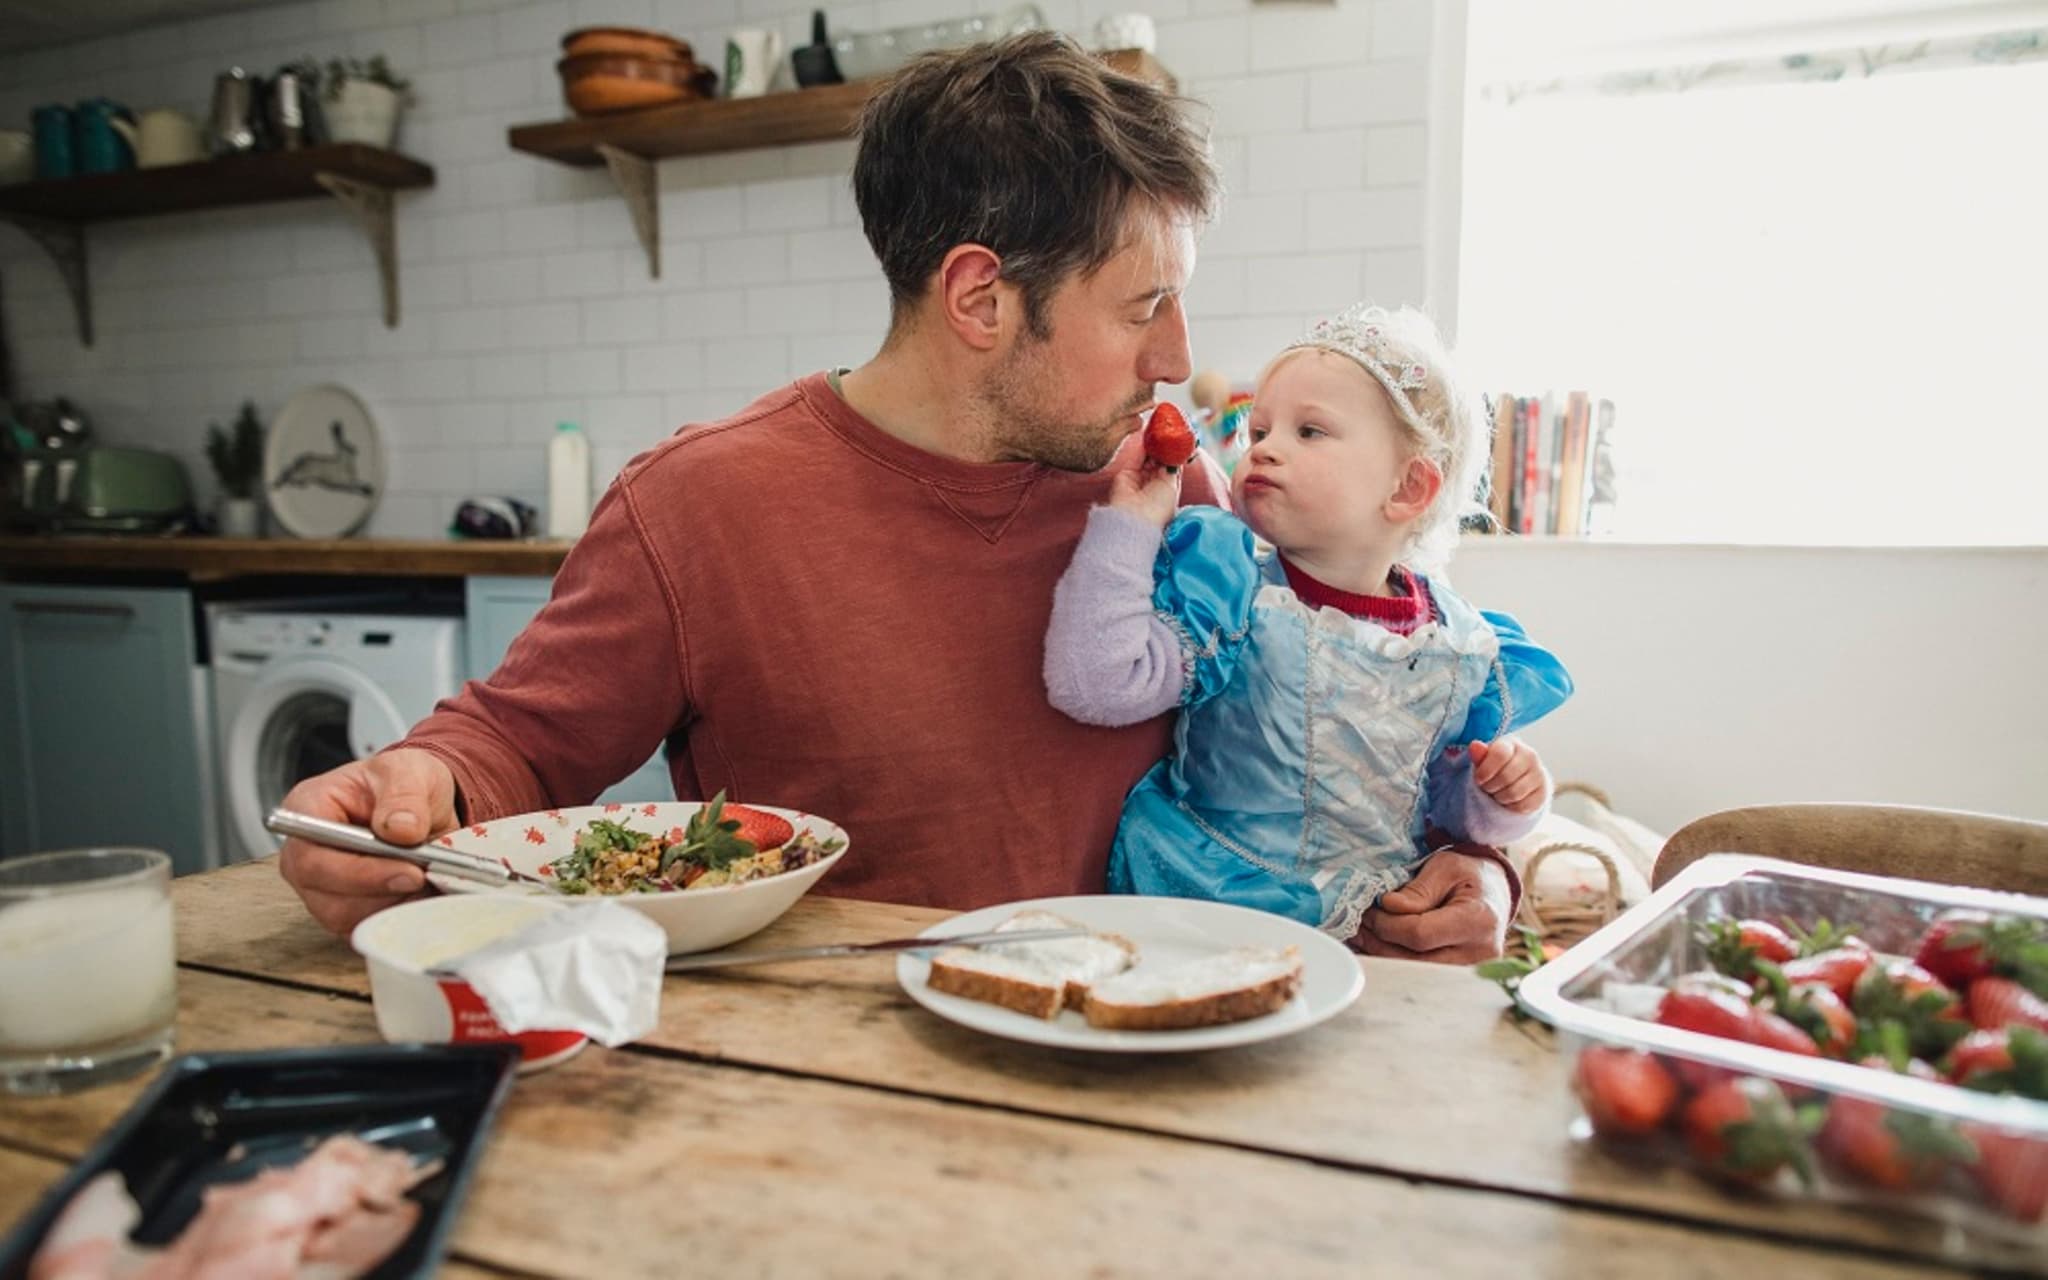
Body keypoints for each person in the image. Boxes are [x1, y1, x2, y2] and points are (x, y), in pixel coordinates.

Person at [277, 35, 1523, 964]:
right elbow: (512, 745)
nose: (1173, 358)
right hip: (840, 1090)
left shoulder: (1159, 478)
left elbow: (1341, 713)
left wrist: (1475, 862)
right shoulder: (699, 507)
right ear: (980, 299)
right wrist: (401, 790)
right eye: (1143, 306)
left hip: (1160, 1042)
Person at [1042, 303, 1574, 952]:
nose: (1264, 447)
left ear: (1408, 490)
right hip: (1221, 914)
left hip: (1377, 930)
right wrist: (1130, 526)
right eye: (1258, 430)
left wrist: (1508, 798)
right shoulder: (1232, 590)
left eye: (1310, 432)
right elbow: (1095, 683)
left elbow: (1447, 807)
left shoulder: (1459, 645)